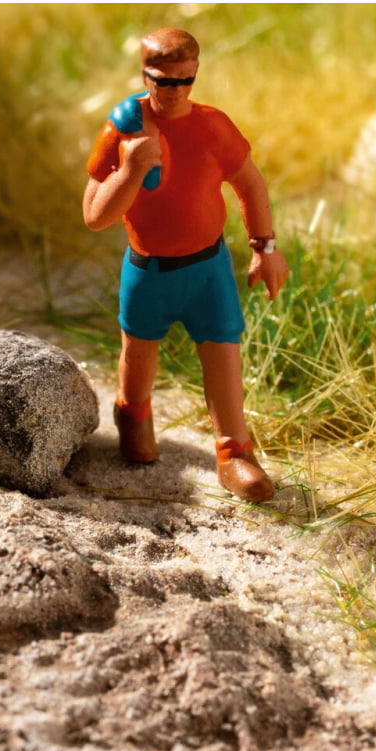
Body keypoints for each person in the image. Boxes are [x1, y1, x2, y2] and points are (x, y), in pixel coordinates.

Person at [82, 27, 289, 502]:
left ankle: (233, 450)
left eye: (184, 81)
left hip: (208, 270)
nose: (172, 92)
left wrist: (265, 247)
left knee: (223, 353)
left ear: (195, 76)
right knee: (138, 351)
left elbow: (250, 184)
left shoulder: (212, 125)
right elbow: (95, 216)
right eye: (161, 80)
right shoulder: (123, 129)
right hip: (148, 270)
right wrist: (131, 171)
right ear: (144, 75)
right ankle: (133, 418)